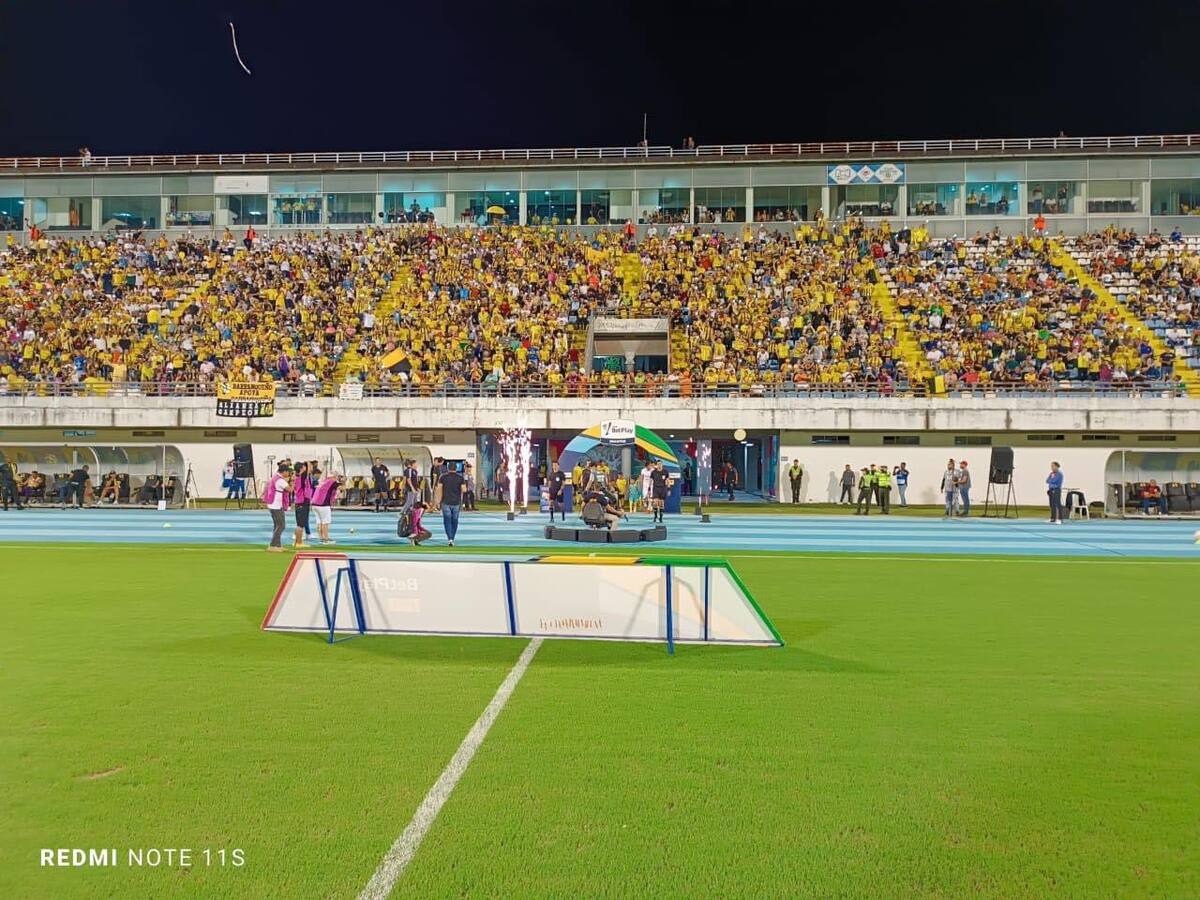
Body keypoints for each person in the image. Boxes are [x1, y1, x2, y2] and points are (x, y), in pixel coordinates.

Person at [434, 463, 467, 547]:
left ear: (448, 468)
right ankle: (453, 537)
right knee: (454, 520)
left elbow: (439, 489)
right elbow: (464, 490)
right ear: (456, 468)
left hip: (445, 501)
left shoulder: (443, 477)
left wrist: (438, 501)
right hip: (456, 502)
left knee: (447, 521)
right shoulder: (460, 478)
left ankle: (449, 538)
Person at [264, 462, 292, 552]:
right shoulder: (280, 480)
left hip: (273, 504)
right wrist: (293, 481)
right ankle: (272, 545)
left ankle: (278, 545)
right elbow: (290, 489)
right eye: (288, 472)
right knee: (281, 525)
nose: (288, 474)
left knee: (277, 525)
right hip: (276, 505)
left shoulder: (275, 476)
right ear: (284, 472)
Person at [311, 470, 339, 544]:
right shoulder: (332, 482)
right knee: (325, 522)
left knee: (319, 521)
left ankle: (321, 538)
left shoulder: (323, 481)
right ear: (334, 477)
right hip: (323, 504)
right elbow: (341, 487)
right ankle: (326, 539)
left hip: (314, 503)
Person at [292, 461, 313, 549]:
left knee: (299, 524)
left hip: (300, 502)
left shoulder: (298, 477)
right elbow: (309, 468)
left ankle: (297, 541)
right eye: (303, 467)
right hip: (303, 502)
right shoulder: (301, 477)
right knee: (301, 524)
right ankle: (299, 543)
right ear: (301, 469)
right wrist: (307, 462)